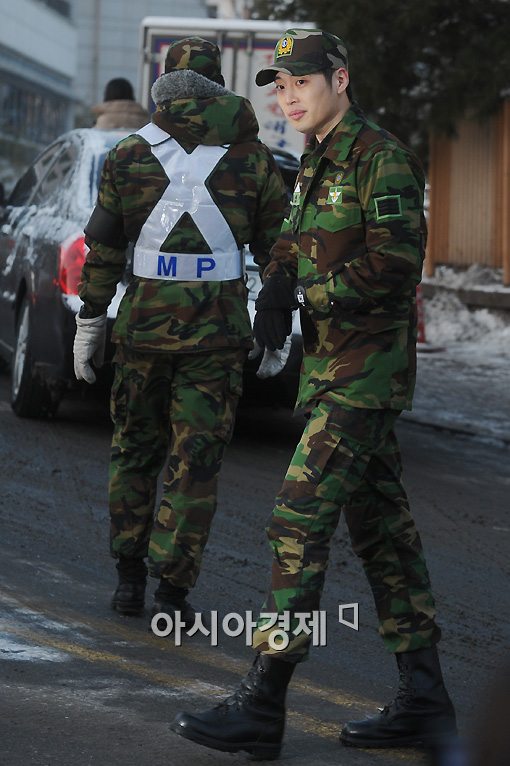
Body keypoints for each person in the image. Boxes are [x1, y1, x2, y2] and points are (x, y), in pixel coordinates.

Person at [170, 28, 457, 759]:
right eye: (280, 85)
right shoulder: (314, 161)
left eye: (302, 81)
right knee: (384, 537)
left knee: (298, 522)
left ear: (341, 79)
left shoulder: (378, 158)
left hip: (365, 378)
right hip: (334, 374)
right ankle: (425, 701)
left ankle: (262, 702)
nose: (288, 95)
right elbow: (298, 242)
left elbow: (395, 265)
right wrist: (276, 281)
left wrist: (306, 297)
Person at [73, 38, 287, 624]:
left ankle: (128, 579)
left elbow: (105, 247)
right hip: (216, 342)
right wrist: (280, 320)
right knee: (196, 466)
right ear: (219, 84)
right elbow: (281, 251)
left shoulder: (128, 155)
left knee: (135, 453)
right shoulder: (253, 159)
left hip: (140, 333)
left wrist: (91, 318)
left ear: (165, 85)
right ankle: (173, 588)